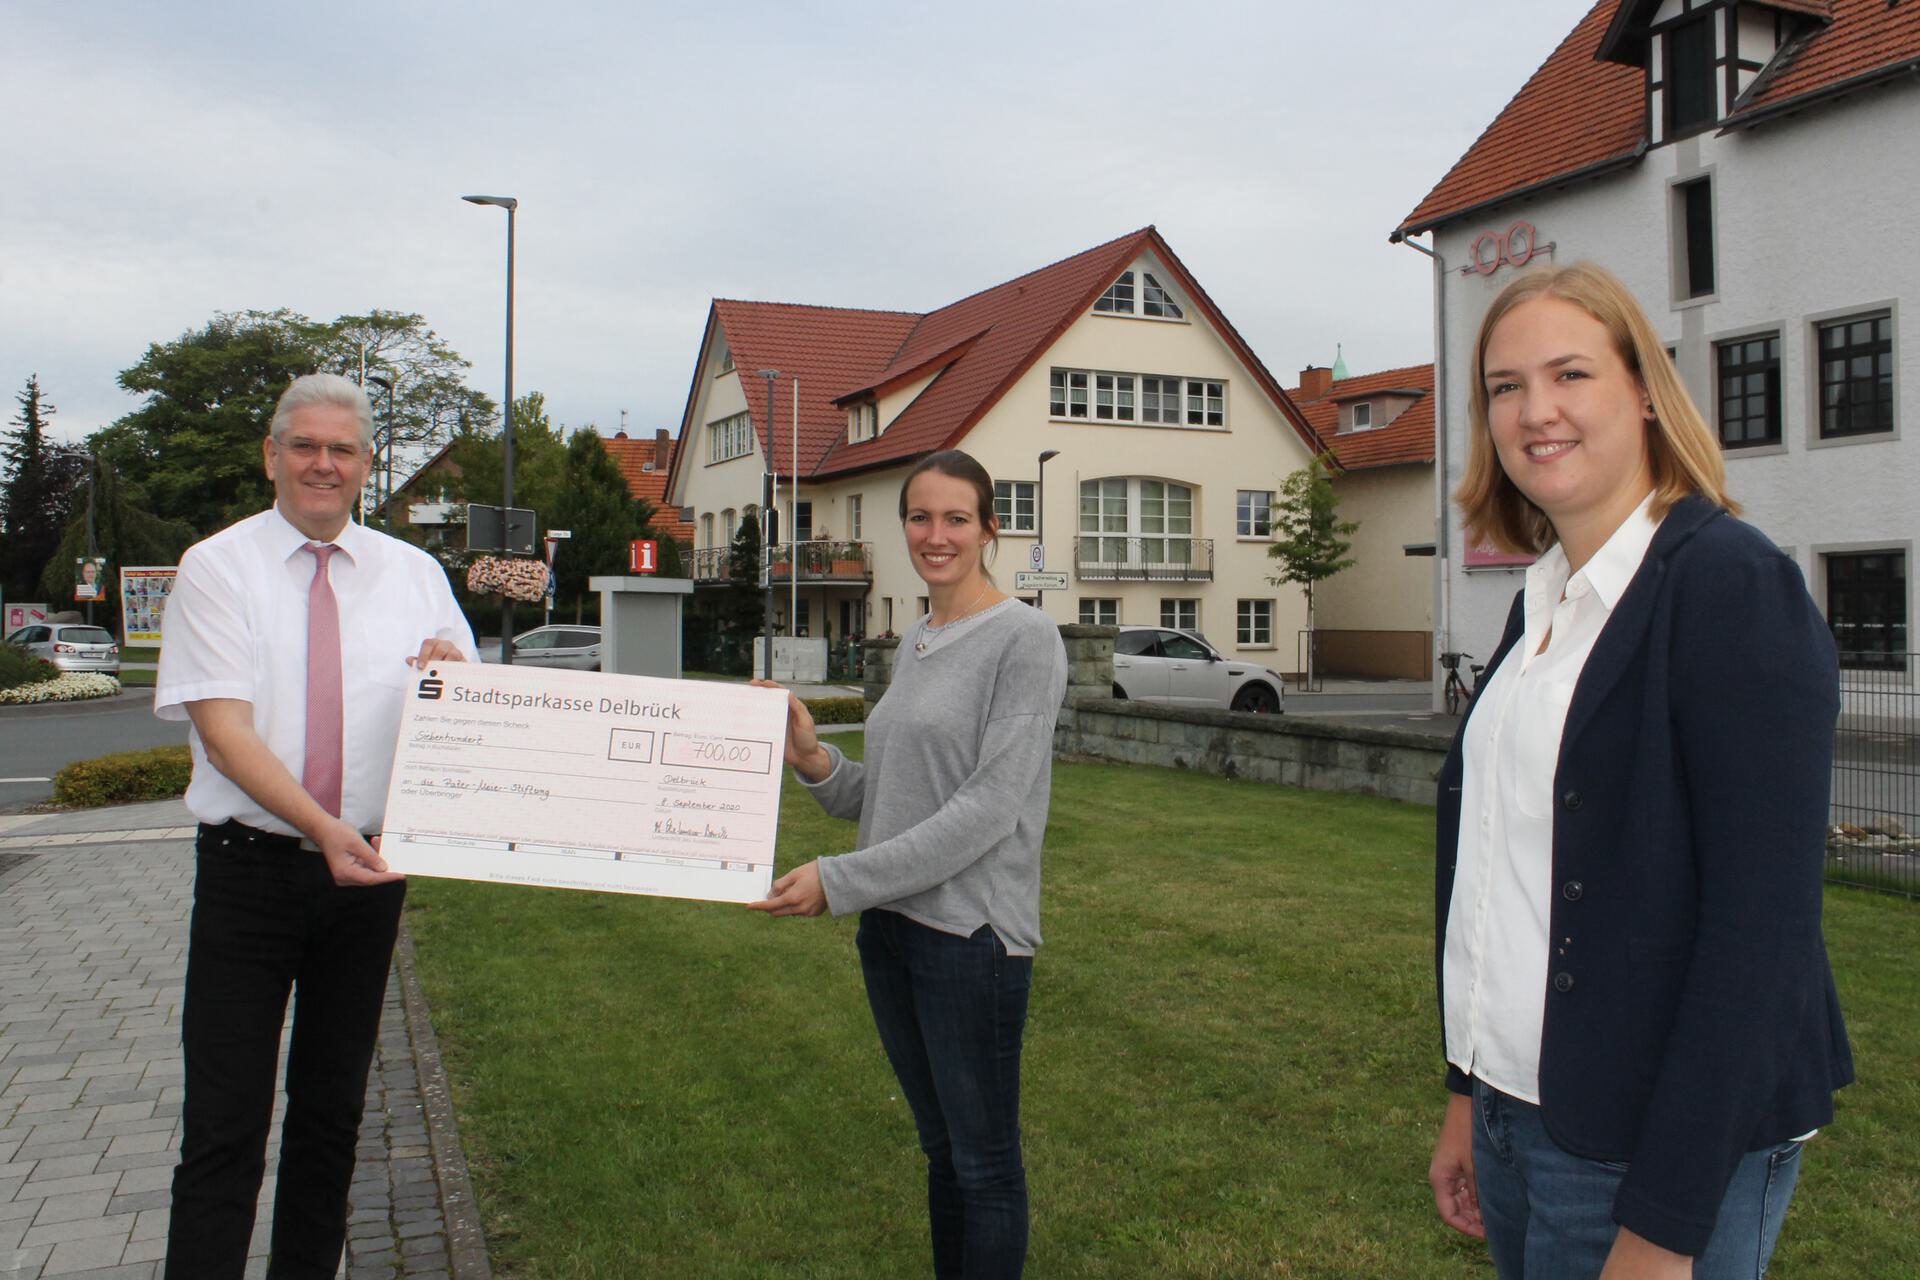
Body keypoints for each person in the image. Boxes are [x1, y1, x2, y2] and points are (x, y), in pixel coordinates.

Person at [1426, 263, 1853, 1279]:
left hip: (1649, 1140)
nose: (1536, 411)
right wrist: (1465, 1090)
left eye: (1570, 373)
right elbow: (1497, 872)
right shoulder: (1544, 603)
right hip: (1518, 1112)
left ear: (1644, 391)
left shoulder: (1730, 584)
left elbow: (1763, 933)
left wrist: (1666, 1223)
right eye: (1504, 386)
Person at [156, 373, 475, 1279]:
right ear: (272, 455)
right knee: (224, 1128)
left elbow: (473, 718)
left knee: (332, 1119)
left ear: (368, 465)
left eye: (342, 450)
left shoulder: (416, 575)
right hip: (249, 872)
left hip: (370, 877)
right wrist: (324, 828)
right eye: (305, 446)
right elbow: (224, 734)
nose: (323, 465)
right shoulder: (217, 568)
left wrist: (453, 675)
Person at [750, 449, 1067, 1279]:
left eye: (956, 518)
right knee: (942, 1153)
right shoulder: (918, 638)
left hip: (969, 940)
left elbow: (986, 812)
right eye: (920, 518)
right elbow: (894, 794)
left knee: (985, 1165)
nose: (936, 535)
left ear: (990, 528)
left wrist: (839, 881)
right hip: (893, 933)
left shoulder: (1026, 640)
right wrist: (814, 759)